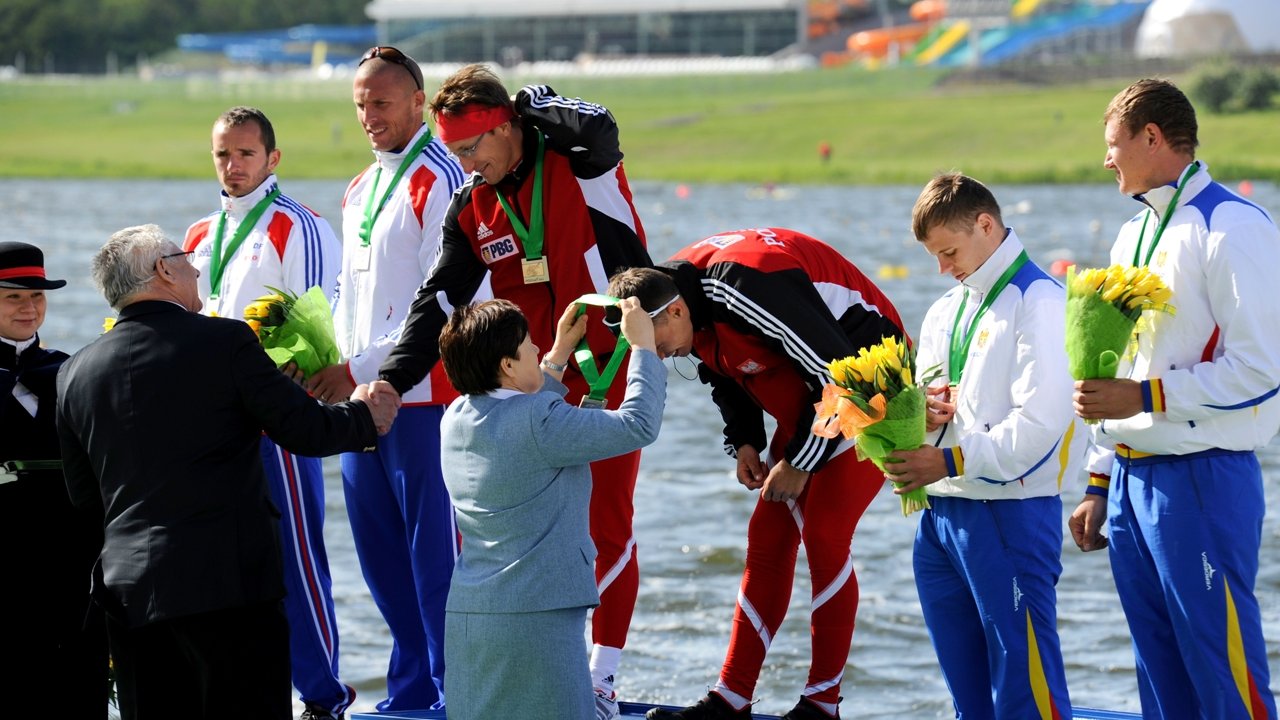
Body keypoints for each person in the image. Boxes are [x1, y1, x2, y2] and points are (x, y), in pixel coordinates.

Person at [376, 62, 652, 718]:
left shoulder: (581, 164)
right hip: (534, 372)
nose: (468, 164)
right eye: (454, 152)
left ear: (508, 128)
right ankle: (519, 673)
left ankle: (602, 680)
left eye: (474, 148)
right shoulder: (472, 205)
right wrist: (390, 380)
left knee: (605, 525)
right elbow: (435, 301)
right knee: (511, 527)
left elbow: (600, 124)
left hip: (609, 365)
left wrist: (535, 103)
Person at [56, 224, 397, 720]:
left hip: (129, 595)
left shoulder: (75, 371)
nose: (196, 268)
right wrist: (365, 414)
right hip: (227, 585)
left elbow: (84, 495)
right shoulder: (225, 341)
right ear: (163, 271)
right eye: (188, 258)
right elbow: (305, 431)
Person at [607, 227, 907, 720]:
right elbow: (715, 363)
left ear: (676, 311)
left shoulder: (740, 288)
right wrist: (744, 439)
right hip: (818, 393)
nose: (659, 357)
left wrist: (799, 462)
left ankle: (822, 705)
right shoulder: (673, 293)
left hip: (871, 385)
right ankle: (731, 698)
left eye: (658, 347)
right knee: (765, 539)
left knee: (826, 535)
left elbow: (839, 375)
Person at [1070, 78, 1280, 719]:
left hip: (1203, 480)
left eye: (1114, 144)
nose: (1106, 159)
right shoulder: (1131, 235)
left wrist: (1144, 395)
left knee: (1223, 675)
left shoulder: (1233, 225)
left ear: (1152, 138)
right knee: (1159, 679)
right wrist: (1098, 480)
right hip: (1131, 486)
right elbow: (1117, 368)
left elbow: (1261, 372)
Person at [303, 46, 467, 713]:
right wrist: (322, 359)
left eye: (382, 102)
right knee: (380, 562)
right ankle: (409, 695)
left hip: (426, 400)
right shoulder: (358, 187)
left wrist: (358, 369)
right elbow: (348, 296)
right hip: (359, 403)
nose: (369, 116)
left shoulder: (446, 176)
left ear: (417, 103)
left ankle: (463, 694)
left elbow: (441, 304)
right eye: (360, 105)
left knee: (438, 569)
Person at [886, 174, 1081, 718]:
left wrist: (946, 457)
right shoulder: (946, 308)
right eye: (934, 256)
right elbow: (926, 405)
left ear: (986, 225)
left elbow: (1041, 427)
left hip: (1010, 513)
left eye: (948, 251)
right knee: (967, 695)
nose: (942, 268)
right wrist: (916, 413)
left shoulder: (1040, 300)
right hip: (941, 513)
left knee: (1025, 691)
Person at [183, 105, 352, 720]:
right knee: (220, 557)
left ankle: (324, 698)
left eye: (245, 154)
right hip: (213, 421)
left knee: (295, 556)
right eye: (223, 155)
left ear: (272, 159)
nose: (232, 166)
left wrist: (273, 392)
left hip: (276, 418)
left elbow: (317, 323)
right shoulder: (200, 234)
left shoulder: (298, 226)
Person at [437, 297, 665, 720]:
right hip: (538, 618)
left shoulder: (456, 416)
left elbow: (518, 412)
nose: (538, 351)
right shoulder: (541, 421)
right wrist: (643, 349)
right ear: (507, 365)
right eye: (529, 346)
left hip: (471, 614)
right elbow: (638, 424)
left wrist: (561, 352)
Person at [0, 241, 109, 717]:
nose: (29, 308)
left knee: (77, 674)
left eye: (37, 297)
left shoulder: (69, 368)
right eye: (13, 297)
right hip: (5, 551)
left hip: (69, 548)